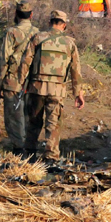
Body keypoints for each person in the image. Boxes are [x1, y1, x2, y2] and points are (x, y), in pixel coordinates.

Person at [17, 10, 85, 162]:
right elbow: (75, 71)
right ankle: (51, 158)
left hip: (36, 88)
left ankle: (29, 155)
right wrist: (78, 93)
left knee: (33, 122)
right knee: (53, 124)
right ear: (64, 25)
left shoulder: (38, 38)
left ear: (50, 22)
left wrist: (21, 84)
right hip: (57, 90)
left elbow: (25, 62)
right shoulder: (70, 43)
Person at [0, 0, 39, 155]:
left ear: (16, 14)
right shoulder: (38, 33)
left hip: (12, 80)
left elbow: (2, 59)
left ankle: (19, 150)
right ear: (31, 15)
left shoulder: (11, 32)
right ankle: (30, 149)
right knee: (28, 115)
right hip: (31, 81)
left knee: (13, 116)